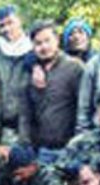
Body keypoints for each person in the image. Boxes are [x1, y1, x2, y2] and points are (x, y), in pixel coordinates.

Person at [19, 20, 84, 163]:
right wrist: (25, 143)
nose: (44, 47)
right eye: (38, 43)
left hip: (70, 149)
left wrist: (79, 143)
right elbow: (25, 112)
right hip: (42, 150)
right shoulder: (30, 72)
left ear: (57, 40)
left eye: (47, 41)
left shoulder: (74, 68)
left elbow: (84, 109)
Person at [0, 4, 32, 146]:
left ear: (20, 21)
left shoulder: (34, 51)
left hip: (30, 127)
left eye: (10, 23)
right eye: (2, 25)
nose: (6, 29)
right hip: (2, 128)